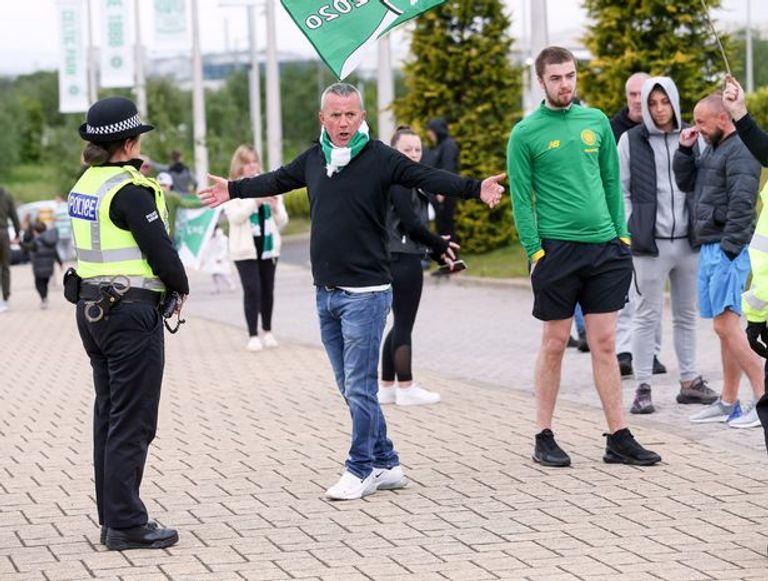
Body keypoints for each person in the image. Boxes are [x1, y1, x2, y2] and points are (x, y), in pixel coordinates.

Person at [199, 82, 504, 500]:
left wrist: (475, 188)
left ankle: (360, 469)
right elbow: (275, 179)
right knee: (350, 386)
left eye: (351, 114)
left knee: (360, 387)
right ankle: (388, 462)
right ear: (322, 119)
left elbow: (426, 175)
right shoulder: (314, 159)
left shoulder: (381, 159)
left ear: (362, 117)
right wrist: (231, 190)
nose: (343, 122)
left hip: (368, 293)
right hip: (326, 293)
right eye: (335, 115)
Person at [507, 46, 661, 467]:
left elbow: (613, 182)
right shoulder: (525, 133)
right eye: (556, 78)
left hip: (606, 249)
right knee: (555, 342)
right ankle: (544, 434)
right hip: (556, 251)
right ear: (541, 82)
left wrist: (622, 239)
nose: (565, 84)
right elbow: (522, 200)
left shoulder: (595, 122)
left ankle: (618, 436)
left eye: (570, 75)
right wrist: (535, 251)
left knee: (606, 343)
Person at [69, 96, 188, 550]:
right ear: (130, 142)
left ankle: (112, 515)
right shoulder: (130, 191)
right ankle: (126, 523)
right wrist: (180, 287)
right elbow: (161, 252)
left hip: (92, 309)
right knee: (133, 420)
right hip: (129, 313)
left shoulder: (86, 185)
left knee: (110, 414)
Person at [618, 77, 713, 415]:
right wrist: (632, 226)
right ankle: (642, 387)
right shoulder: (631, 141)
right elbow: (621, 191)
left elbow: (703, 182)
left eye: (664, 102)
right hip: (649, 245)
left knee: (687, 315)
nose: (659, 110)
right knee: (646, 316)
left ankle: (689, 382)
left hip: (689, 242)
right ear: (644, 105)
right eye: (652, 103)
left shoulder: (693, 137)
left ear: (674, 102)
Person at [673, 93, 764, 428]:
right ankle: (728, 402)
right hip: (711, 246)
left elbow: (743, 205)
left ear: (723, 119)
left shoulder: (740, 149)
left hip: (729, 248)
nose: (696, 128)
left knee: (725, 325)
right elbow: (689, 184)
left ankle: (762, 396)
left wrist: (729, 250)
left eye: (700, 122)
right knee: (726, 330)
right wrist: (684, 151)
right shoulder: (713, 147)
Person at [378, 126, 459, 407]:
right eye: (406, 150)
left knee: (397, 322)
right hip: (402, 257)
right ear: (393, 152)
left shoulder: (403, 179)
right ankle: (407, 387)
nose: (413, 155)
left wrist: (436, 246)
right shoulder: (400, 180)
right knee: (404, 323)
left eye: (417, 149)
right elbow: (412, 224)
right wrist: (439, 243)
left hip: (396, 255)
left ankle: (387, 387)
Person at [609, 72, 667, 378]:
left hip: (658, 225)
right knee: (625, 292)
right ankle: (624, 351)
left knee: (651, 294)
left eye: (641, 94)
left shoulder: (661, 131)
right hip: (621, 222)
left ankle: (651, 353)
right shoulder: (611, 130)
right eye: (631, 94)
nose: (636, 100)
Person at [225, 145, 288, 352]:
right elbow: (235, 217)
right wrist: (256, 201)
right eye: (247, 163)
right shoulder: (231, 187)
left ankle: (268, 331)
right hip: (245, 249)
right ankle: (252, 334)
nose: (252, 166)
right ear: (239, 166)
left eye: (254, 162)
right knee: (253, 290)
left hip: (268, 247)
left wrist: (275, 207)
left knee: (267, 290)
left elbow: (283, 222)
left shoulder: (269, 184)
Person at [425, 118, 460, 246]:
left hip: (445, 192)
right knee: (441, 225)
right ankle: (446, 254)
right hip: (440, 191)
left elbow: (448, 168)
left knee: (447, 225)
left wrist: (442, 191)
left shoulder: (448, 145)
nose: (430, 135)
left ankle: (452, 255)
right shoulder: (440, 146)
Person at [155, 171, 204, 240]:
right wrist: (205, 202)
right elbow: (188, 204)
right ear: (170, 185)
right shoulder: (172, 196)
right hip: (168, 236)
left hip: (153, 235)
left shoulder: (150, 194)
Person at [26, 220, 61, 309]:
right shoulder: (51, 240)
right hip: (49, 267)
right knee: (45, 283)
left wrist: (19, 242)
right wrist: (60, 262)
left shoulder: (36, 241)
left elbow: (27, 247)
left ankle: (43, 298)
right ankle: (44, 297)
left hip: (38, 268)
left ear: (35, 231)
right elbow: (55, 252)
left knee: (38, 284)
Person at [0, 186, 20, 313]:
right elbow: (14, 215)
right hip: (3, 235)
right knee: (5, 268)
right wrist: (18, 232)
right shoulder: (6, 195)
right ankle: (5, 299)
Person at [203, 225, 236, 293]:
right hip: (211, 259)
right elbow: (207, 248)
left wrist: (220, 257)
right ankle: (216, 288)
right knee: (213, 274)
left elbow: (224, 249)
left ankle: (231, 284)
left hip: (219, 259)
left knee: (222, 273)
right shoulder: (209, 236)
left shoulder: (222, 238)